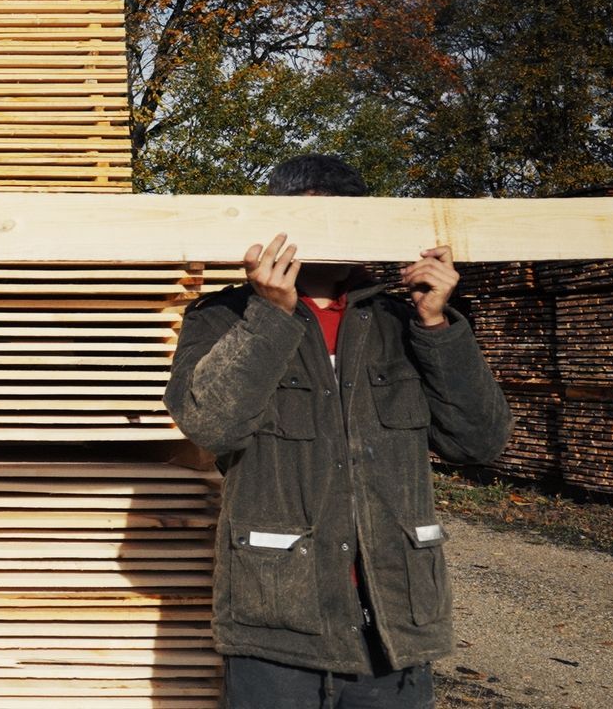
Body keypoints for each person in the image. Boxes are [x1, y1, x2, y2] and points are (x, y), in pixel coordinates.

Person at [163, 154, 510, 709]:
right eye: (309, 220)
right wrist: (271, 314)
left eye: (342, 217)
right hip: (277, 622)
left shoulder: (405, 320)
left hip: (392, 619)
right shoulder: (224, 317)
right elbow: (210, 425)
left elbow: (479, 440)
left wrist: (437, 324)